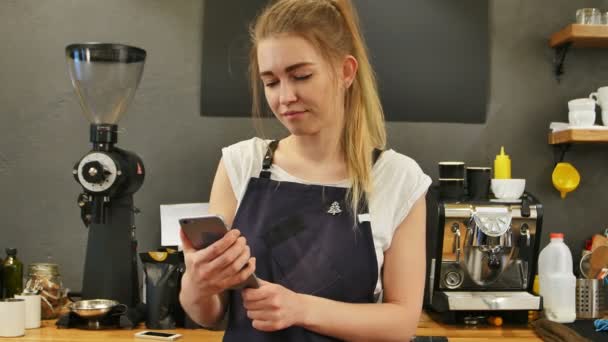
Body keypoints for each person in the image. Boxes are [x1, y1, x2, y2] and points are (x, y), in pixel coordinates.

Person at [179, 0, 432, 340]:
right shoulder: (241, 164)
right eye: (271, 82)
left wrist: (300, 309)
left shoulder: (398, 178)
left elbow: (401, 323)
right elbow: (210, 315)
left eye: (301, 76)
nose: (285, 97)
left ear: (345, 72)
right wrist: (197, 283)